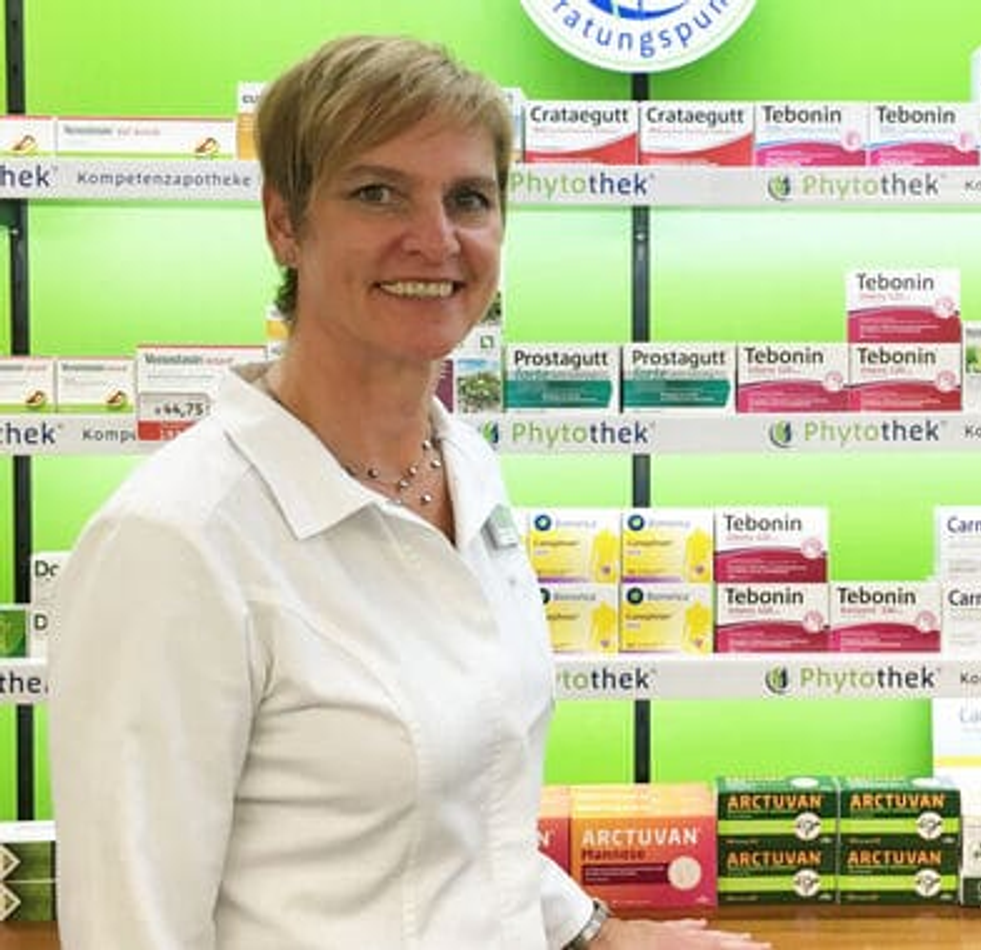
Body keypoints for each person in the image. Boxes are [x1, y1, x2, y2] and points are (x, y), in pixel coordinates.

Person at [48, 34, 770, 950]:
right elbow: (129, 924)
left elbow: (468, 812)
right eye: (376, 193)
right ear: (284, 223)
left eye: (469, 198)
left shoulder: (463, 465)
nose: (434, 239)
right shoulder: (177, 541)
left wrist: (596, 932)